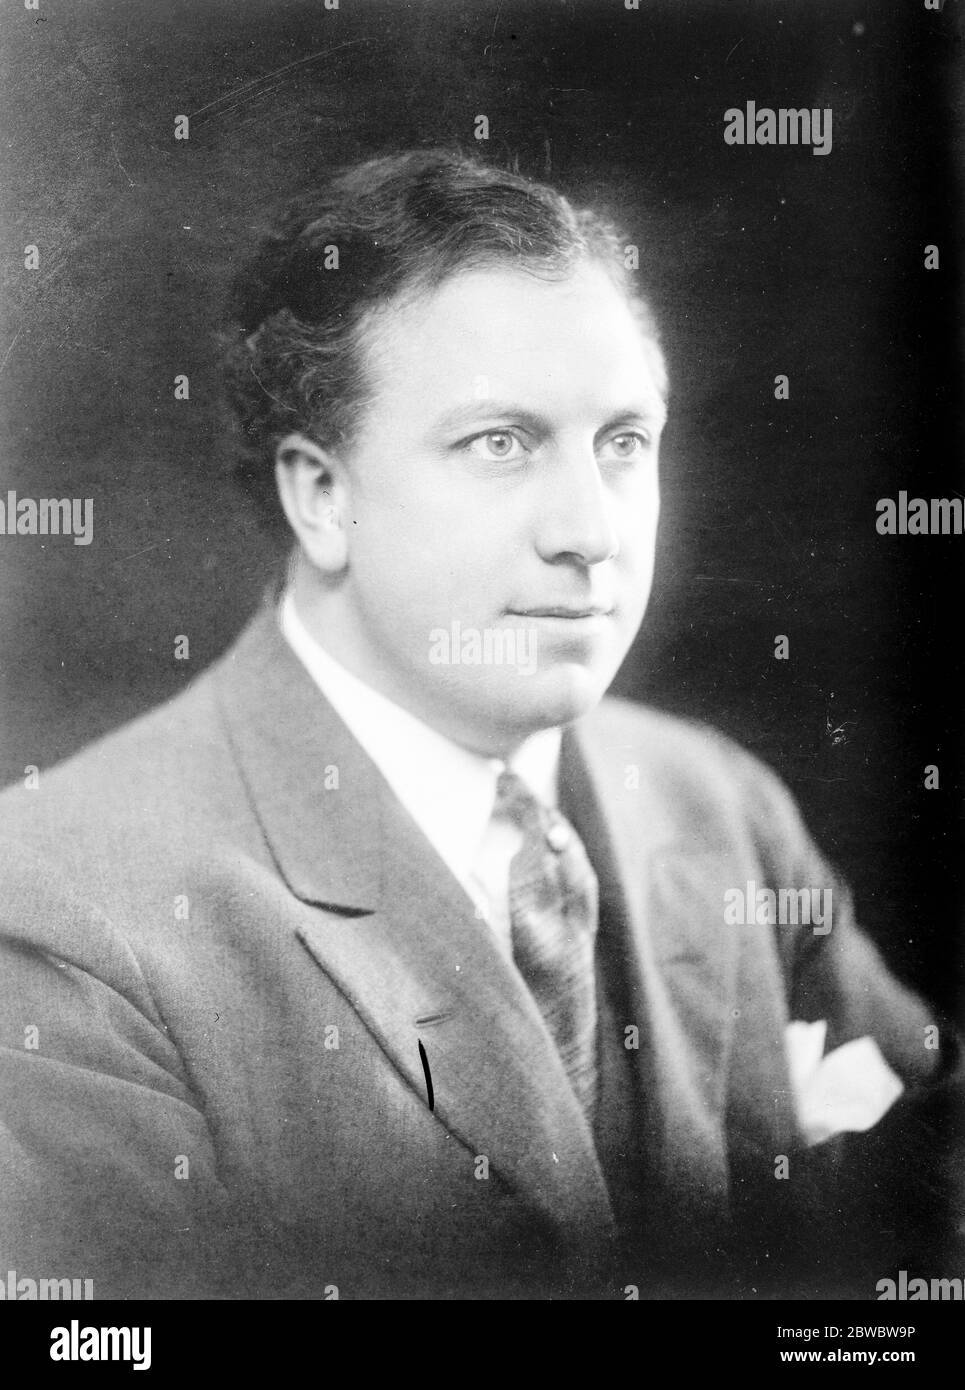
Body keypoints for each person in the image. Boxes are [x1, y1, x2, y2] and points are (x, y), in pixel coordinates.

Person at [0, 150, 957, 1301]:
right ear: (321, 495)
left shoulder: (714, 801)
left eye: (622, 443)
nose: (589, 531)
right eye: (499, 443)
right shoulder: (63, 913)